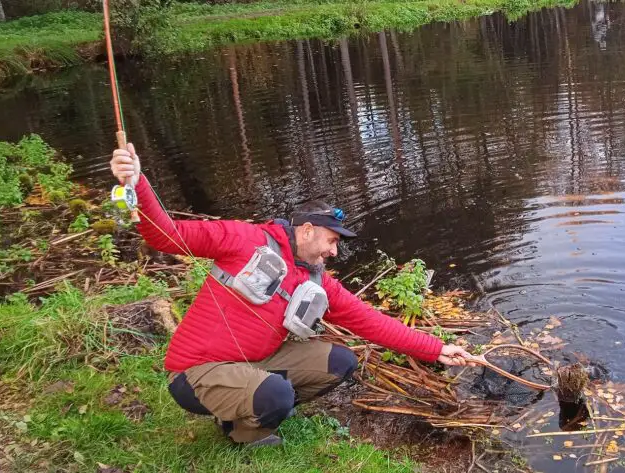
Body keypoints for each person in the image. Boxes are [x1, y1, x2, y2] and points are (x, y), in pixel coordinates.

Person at [110, 144, 476, 446]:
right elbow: (166, 236)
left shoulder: (316, 281)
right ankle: (245, 433)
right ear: (306, 231)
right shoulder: (243, 239)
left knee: (339, 362)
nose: (335, 252)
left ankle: (251, 405)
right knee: (276, 396)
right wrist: (137, 182)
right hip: (196, 374)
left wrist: (438, 349)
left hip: (254, 364)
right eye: (332, 241)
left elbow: (369, 321)